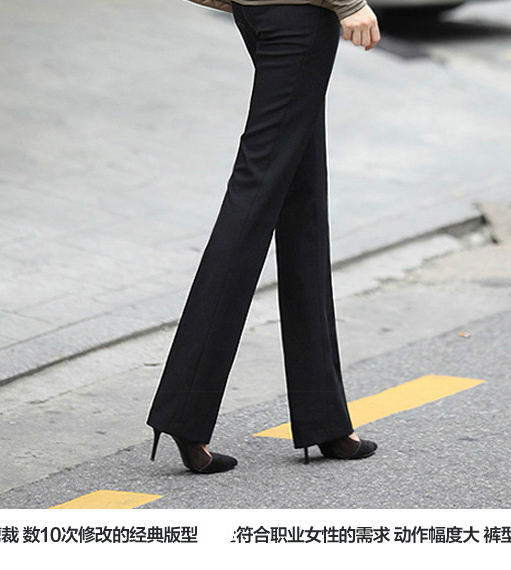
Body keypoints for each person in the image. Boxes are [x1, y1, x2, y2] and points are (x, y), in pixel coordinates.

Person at [146, 0, 381, 474]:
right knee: (257, 191)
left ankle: (325, 420)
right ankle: (184, 411)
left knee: (301, 194)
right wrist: (349, 2)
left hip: (259, 11)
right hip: (300, 14)